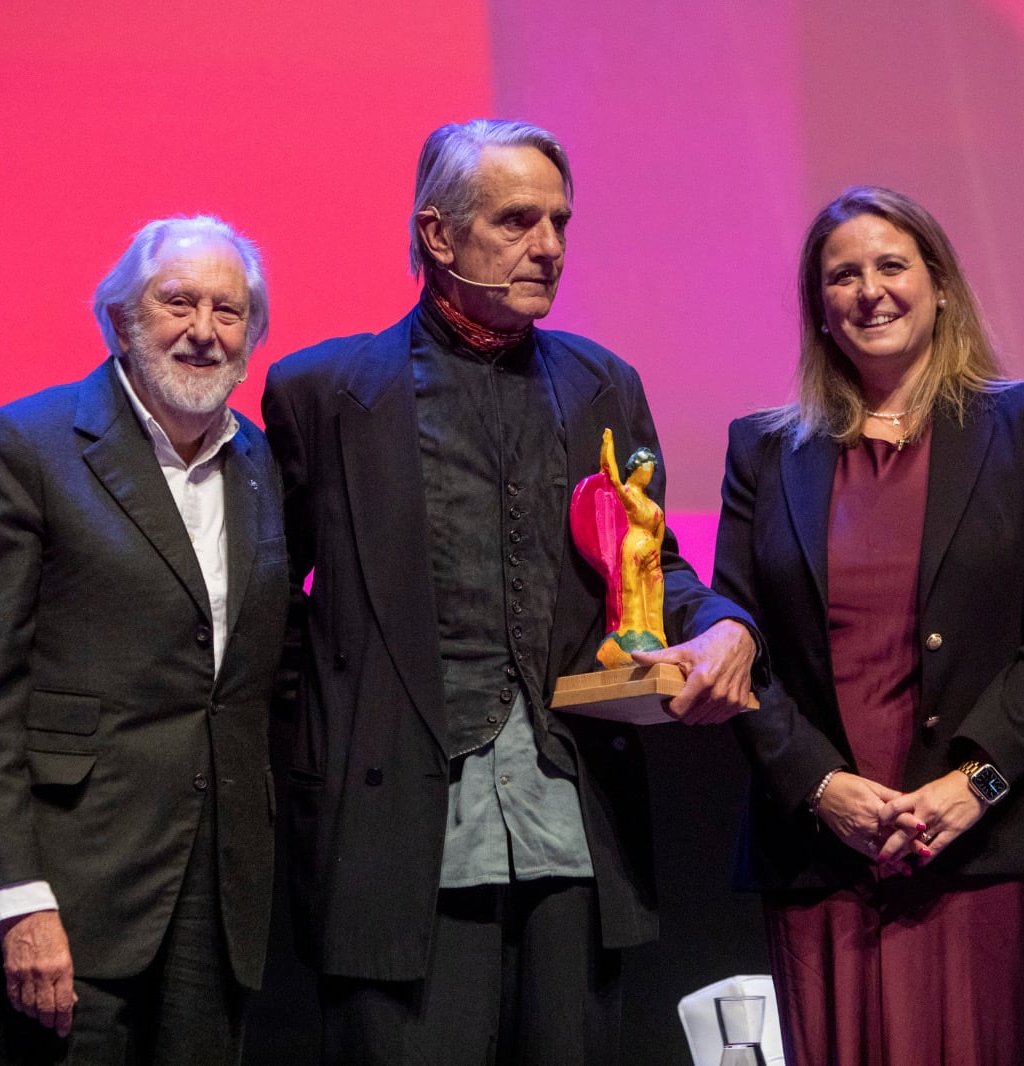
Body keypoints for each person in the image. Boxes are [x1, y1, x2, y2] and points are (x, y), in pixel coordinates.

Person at [261, 119, 759, 1064]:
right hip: (394, 827)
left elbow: (657, 569)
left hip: (571, 817)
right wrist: (325, 740)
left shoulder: (602, 384)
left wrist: (727, 624)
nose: (550, 246)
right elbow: (272, 612)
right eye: (519, 220)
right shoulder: (322, 393)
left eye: (562, 222)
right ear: (437, 234)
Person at [715, 186, 1024, 1065]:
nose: (869, 291)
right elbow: (737, 646)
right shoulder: (764, 449)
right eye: (842, 274)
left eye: (892, 265)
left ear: (939, 285)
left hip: (982, 840)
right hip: (823, 847)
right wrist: (821, 788)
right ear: (819, 306)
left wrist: (976, 785)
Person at [0, 214, 290, 1064]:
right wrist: (17, 901)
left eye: (229, 311)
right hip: (69, 896)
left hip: (217, 897)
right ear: (121, 320)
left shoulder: (264, 465)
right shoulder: (27, 444)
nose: (203, 331)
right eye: (177, 302)